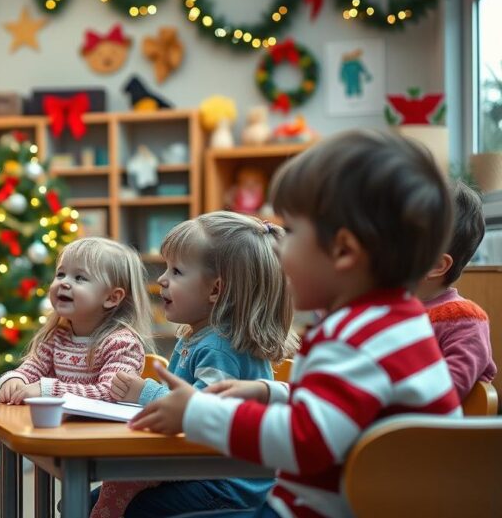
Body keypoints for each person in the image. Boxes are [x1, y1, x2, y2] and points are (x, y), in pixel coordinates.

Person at [128, 130, 461, 518]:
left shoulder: (355, 338)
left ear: (343, 251)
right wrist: (269, 392)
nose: (280, 248)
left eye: (292, 232)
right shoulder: (392, 324)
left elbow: (306, 438)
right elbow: (345, 406)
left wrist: (198, 413)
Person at [95, 212, 298, 517]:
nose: (162, 279)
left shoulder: (220, 347)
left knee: (135, 507)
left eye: (176, 271)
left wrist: (145, 392)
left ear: (216, 290)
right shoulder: (200, 337)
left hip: (228, 483)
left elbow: (200, 411)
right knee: (100, 496)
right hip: (208, 470)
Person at [0, 237, 154, 404]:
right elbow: (30, 370)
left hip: (102, 430)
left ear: (112, 297)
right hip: (60, 428)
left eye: (79, 278)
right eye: (61, 274)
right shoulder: (57, 337)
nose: (64, 283)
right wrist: (14, 381)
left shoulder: (123, 344)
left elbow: (111, 393)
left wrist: (47, 390)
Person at [415, 180, 496, 399]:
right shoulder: (389, 308)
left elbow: (452, 386)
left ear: (436, 266)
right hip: (392, 424)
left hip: (433, 428)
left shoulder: (464, 319)